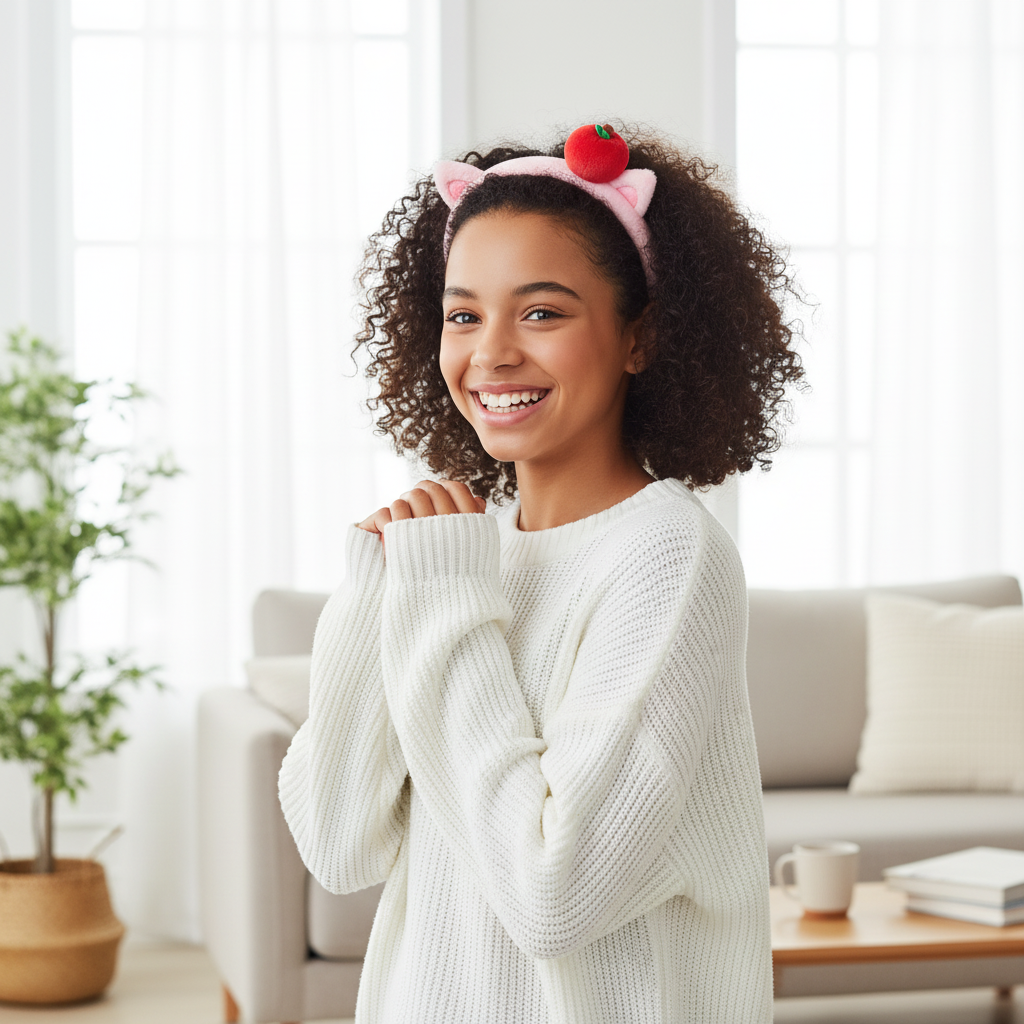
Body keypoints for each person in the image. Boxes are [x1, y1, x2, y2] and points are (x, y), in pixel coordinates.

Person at [279, 123, 804, 1023]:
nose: (492, 352)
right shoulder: (460, 549)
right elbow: (338, 846)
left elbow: (553, 896)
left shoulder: (667, 555)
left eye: (543, 311)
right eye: (463, 313)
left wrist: (442, 597)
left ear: (639, 339)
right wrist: (379, 595)